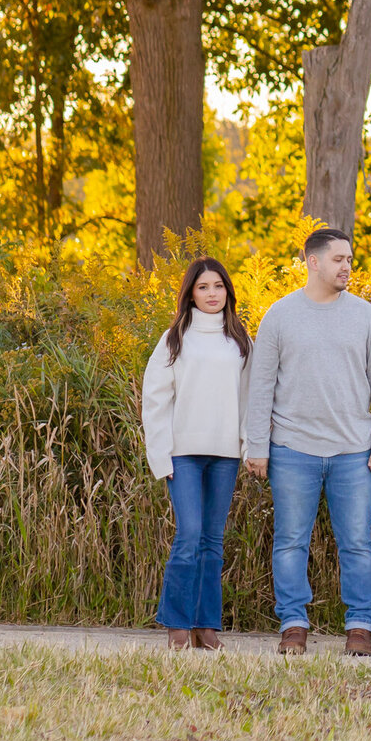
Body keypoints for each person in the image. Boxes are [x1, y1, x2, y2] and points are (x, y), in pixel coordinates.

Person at [245, 227, 371, 658]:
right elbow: (261, 385)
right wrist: (256, 444)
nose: (347, 266)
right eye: (338, 259)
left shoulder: (366, 316)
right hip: (292, 449)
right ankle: (293, 624)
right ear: (313, 261)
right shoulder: (279, 315)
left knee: (356, 543)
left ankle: (359, 626)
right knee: (291, 540)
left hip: (353, 452)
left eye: (350, 259)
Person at [140, 256, 251, 651]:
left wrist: (248, 446)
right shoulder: (175, 339)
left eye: (218, 286)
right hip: (183, 453)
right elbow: (154, 400)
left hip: (225, 455)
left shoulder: (240, 340)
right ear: (190, 292)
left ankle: (207, 627)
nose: (212, 294)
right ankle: (176, 623)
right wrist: (161, 455)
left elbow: (249, 398)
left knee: (212, 540)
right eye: (203, 287)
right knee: (188, 535)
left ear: (228, 291)